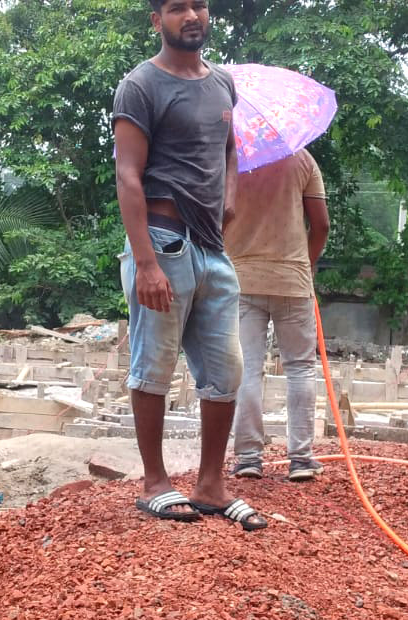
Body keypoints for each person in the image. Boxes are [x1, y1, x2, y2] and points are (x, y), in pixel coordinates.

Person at [111, 0, 267, 531]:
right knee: (153, 363)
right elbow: (128, 176)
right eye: (177, 8)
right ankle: (154, 482)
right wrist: (146, 262)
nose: (191, 15)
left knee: (228, 368)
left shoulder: (223, 84)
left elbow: (228, 151)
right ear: (157, 20)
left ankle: (210, 485)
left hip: (212, 248)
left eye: (198, 5)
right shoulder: (140, 86)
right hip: (163, 238)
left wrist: (230, 194)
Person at [226, 149, 330, 482]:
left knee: (248, 368)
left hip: (241, 279)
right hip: (293, 281)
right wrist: (305, 263)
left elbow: (214, 218)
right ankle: (300, 458)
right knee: (300, 367)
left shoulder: (230, 158)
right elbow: (322, 224)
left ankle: (248, 458)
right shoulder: (302, 159)